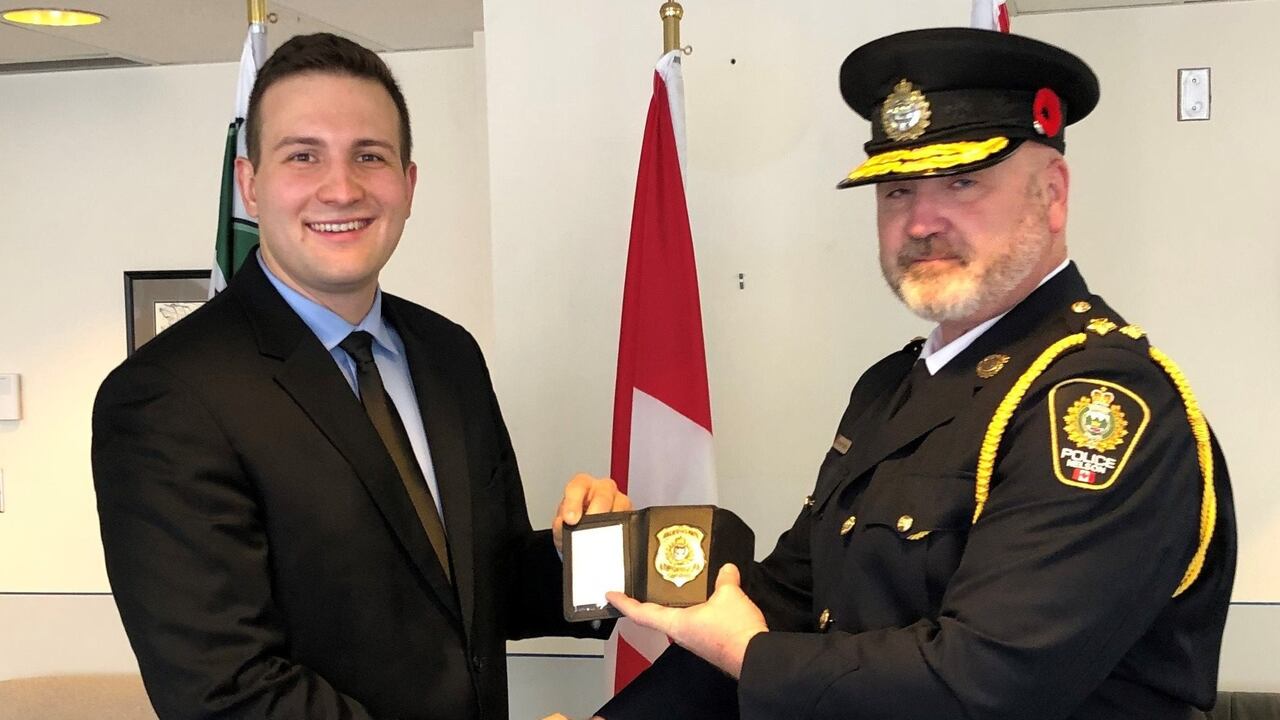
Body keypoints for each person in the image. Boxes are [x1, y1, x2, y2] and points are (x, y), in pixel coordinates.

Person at [592, 27, 1236, 720]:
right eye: (896, 191)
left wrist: (752, 656)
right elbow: (787, 600)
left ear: (1052, 194)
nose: (922, 221)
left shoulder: (1098, 401)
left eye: (963, 183)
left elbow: (987, 682)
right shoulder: (890, 390)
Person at [91, 33, 626, 720]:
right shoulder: (167, 397)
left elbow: (481, 584)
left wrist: (581, 555)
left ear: (407, 184)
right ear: (251, 185)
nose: (341, 188)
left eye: (369, 156)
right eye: (303, 155)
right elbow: (225, 693)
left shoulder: (448, 354)